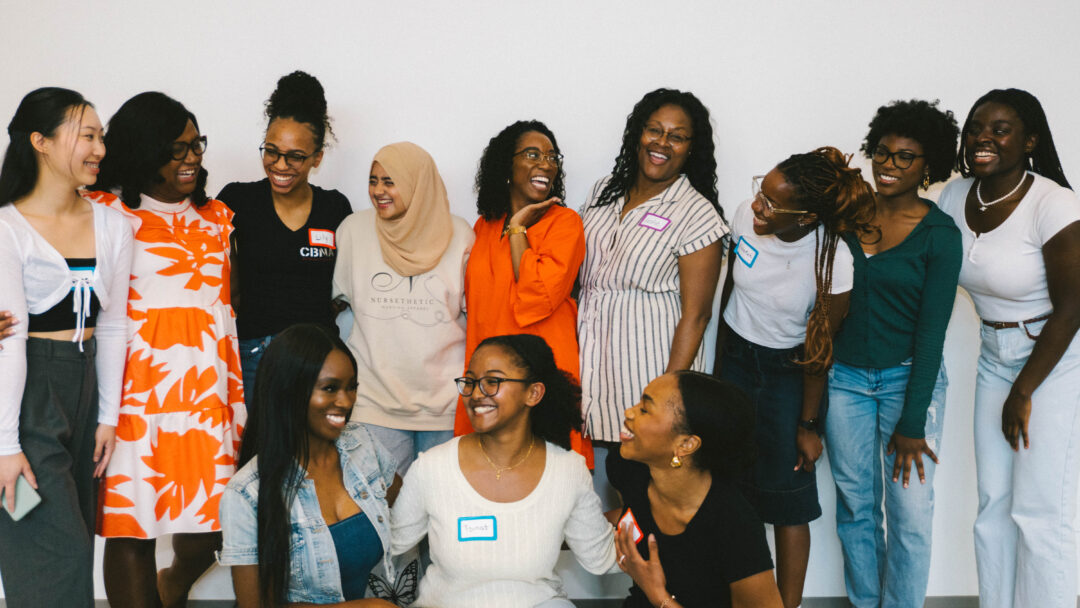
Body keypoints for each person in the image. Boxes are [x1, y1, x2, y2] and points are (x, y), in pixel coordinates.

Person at [88, 92, 245, 608]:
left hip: (205, 392)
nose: (192, 158)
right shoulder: (106, 212)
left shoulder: (219, 217)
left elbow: (227, 305)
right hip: (136, 395)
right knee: (131, 526)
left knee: (216, 521)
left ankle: (174, 582)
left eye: (195, 144)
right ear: (142, 150)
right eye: (177, 148)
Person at [713, 147, 875, 607]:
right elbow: (731, 291)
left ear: (805, 216)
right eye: (759, 193)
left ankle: (787, 604)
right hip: (737, 363)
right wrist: (718, 370)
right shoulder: (747, 215)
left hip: (790, 376)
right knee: (730, 487)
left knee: (788, 497)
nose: (757, 207)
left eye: (770, 203)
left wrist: (808, 425)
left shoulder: (832, 259)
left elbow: (819, 351)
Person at [937, 88, 1080, 608]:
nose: (983, 138)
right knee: (993, 503)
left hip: (1055, 359)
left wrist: (1023, 390)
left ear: (1030, 140)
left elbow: (1071, 307)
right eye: (976, 127)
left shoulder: (1053, 202)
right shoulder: (955, 196)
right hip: (994, 354)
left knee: (1043, 512)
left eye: (1000, 129)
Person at [825, 99, 961, 608]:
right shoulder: (847, 219)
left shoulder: (940, 235)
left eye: (906, 157)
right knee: (856, 507)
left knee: (909, 513)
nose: (889, 165)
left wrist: (913, 423)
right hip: (844, 383)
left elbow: (932, 335)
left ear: (929, 167)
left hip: (910, 381)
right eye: (883, 152)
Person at [0, 87, 132, 608]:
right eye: (87, 135)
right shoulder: (8, 228)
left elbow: (115, 324)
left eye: (101, 137)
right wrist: (5, 446)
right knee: (51, 542)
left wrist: (107, 416)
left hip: (84, 387)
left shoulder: (113, 223)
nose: (99, 148)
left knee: (71, 543)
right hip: (28, 392)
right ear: (42, 143)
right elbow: (8, 342)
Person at [392, 334, 615, 608]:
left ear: (533, 393)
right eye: (471, 381)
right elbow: (389, 547)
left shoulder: (568, 470)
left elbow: (602, 558)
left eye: (492, 382)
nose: (475, 394)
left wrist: (659, 516)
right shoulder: (432, 467)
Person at [577, 88, 728, 482]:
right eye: (654, 130)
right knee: (595, 507)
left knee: (645, 500)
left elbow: (697, 315)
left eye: (677, 136)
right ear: (637, 134)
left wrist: (665, 400)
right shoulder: (602, 192)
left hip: (646, 375)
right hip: (593, 370)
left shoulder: (697, 214)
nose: (662, 143)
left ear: (691, 148)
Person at [220, 323, 401, 607]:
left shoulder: (361, 444)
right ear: (288, 391)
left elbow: (399, 498)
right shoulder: (246, 493)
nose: (346, 401)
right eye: (330, 389)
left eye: (351, 387)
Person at [455, 120, 591, 465]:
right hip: (488, 377)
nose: (545, 163)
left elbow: (540, 294)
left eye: (551, 156)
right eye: (532, 154)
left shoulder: (565, 222)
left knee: (549, 481)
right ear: (506, 165)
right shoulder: (484, 225)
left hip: (540, 378)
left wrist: (518, 229)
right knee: (488, 480)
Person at [334, 141, 471, 474]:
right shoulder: (353, 231)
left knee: (441, 515)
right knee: (381, 511)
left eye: (390, 181)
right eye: (373, 180)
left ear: (417, 182)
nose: (379, 191)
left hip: (444, 405)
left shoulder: (461, 235)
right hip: (374, 404)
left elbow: (472, 313)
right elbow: (340, 307)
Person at [217, 71, 352, 403]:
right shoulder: (236, 201)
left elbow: (346, 284)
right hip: (253, 358)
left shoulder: (335, 208)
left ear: (317, 157)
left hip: (318, 360)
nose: (280, 165)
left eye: (295, 156)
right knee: (255, 453)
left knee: (313, 454)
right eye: (271, 152)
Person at [610, 371, 782, 608]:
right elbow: (630, 513)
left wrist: (657, 595)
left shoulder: (735, 523)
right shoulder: (628, 468)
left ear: (686, 444)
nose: (629, 412)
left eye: (645, 409)